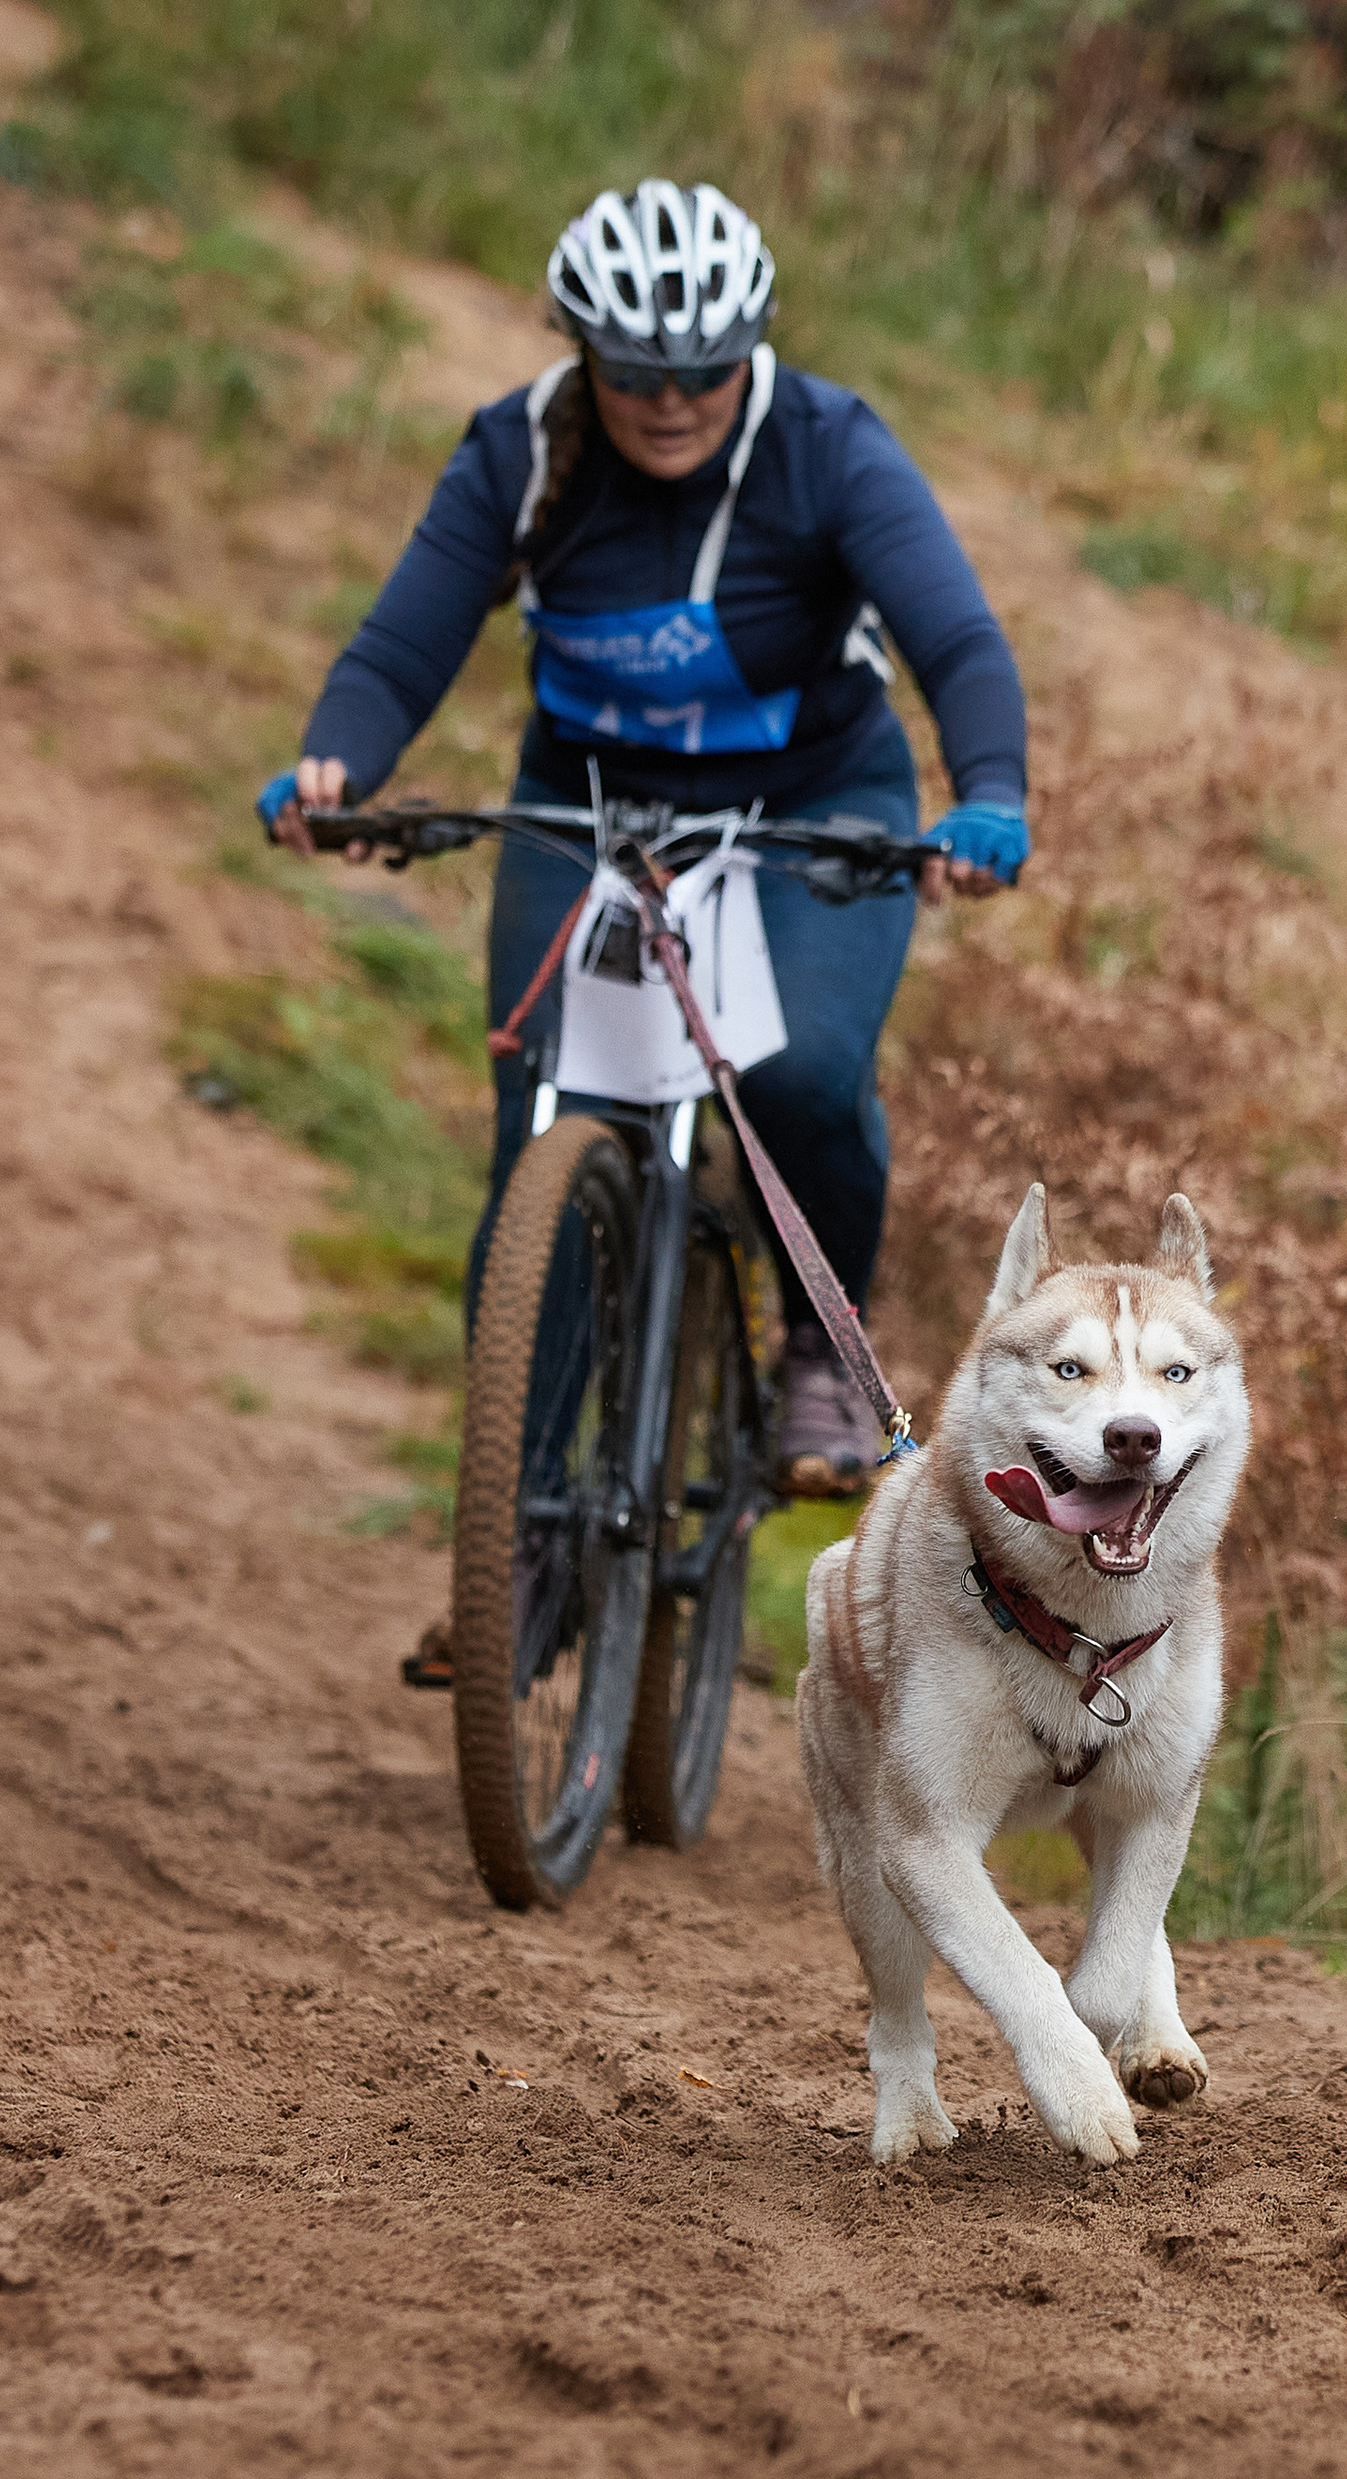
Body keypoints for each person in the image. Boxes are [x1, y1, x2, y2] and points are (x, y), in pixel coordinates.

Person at [259, 179, 1028, 1534]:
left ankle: (820, 1355)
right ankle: (518, 1527)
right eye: (634, 373)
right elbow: (402, 646)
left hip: (813, 803)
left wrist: (989, 794)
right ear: (583, 354)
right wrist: (338, 763)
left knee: (798, 1078)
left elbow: (956, 643)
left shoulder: (831, 449)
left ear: (751, 351)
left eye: (703, 372)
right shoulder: (519, 452)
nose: (670, 401)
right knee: (541, 1122)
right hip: (591, 806)